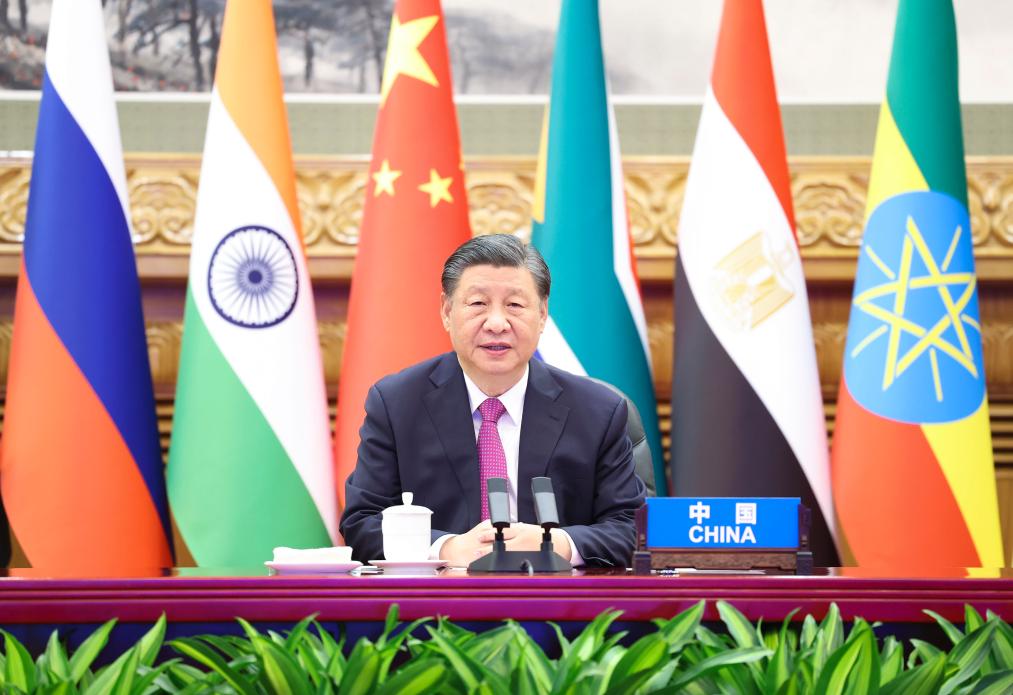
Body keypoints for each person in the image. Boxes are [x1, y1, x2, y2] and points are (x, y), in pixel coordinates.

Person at [339, 234, 645, 567]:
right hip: (439, 596)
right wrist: (445, 548)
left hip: (557, 597)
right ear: (447, 311)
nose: (497, 323)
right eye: (477, 304)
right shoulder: (397, 404)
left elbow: (630, 527)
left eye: (515, 305)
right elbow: (362, 522)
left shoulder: (597, 411)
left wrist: (557, 543)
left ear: (542, 314)